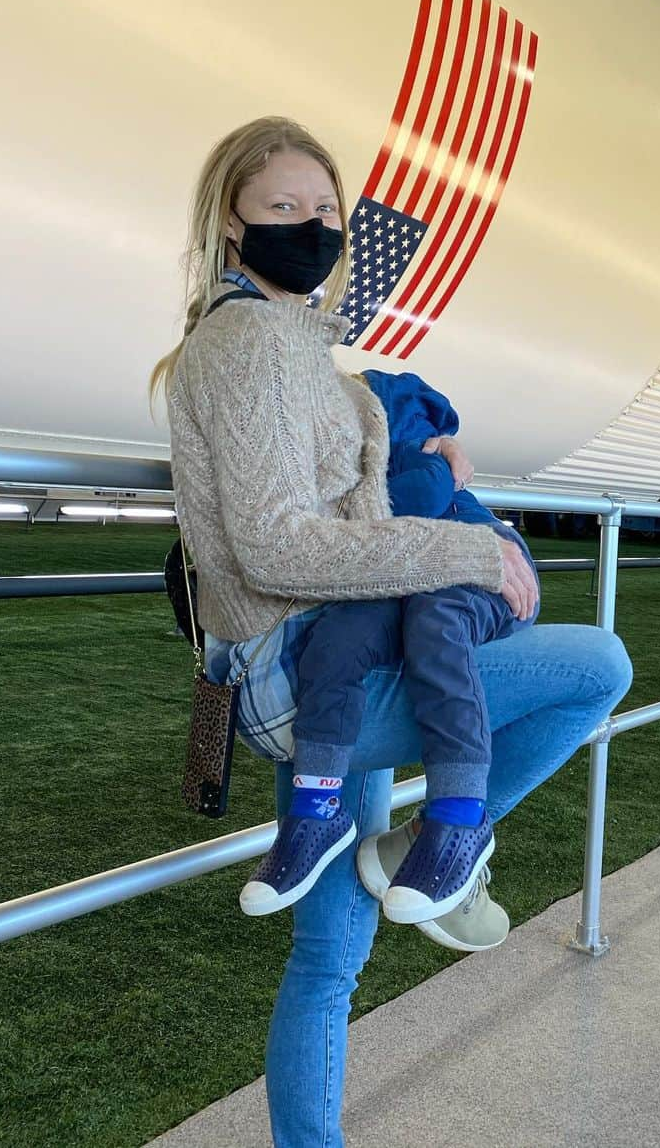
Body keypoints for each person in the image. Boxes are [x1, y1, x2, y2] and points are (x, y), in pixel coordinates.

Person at [150, 116, 633, 1147]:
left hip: (326, 658)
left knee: (331, 952)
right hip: (308, 668)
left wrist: (400, 445)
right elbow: (280, 543)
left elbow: (329, 502)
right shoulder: (247, 347)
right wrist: (461, 551)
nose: (313, 226)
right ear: (230, 226)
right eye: (284, 208)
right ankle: (430, 838)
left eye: (327, 209)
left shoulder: (286, 344)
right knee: (596, 665)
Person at [236, 360, 541, 928]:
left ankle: (458, 812)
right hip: (402, 573)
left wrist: (417, 468)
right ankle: (315, 808)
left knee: (436, 624)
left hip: (484, 564)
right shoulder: (336, 453)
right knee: (337, 637)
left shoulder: (406, 455)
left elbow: (412, 501)